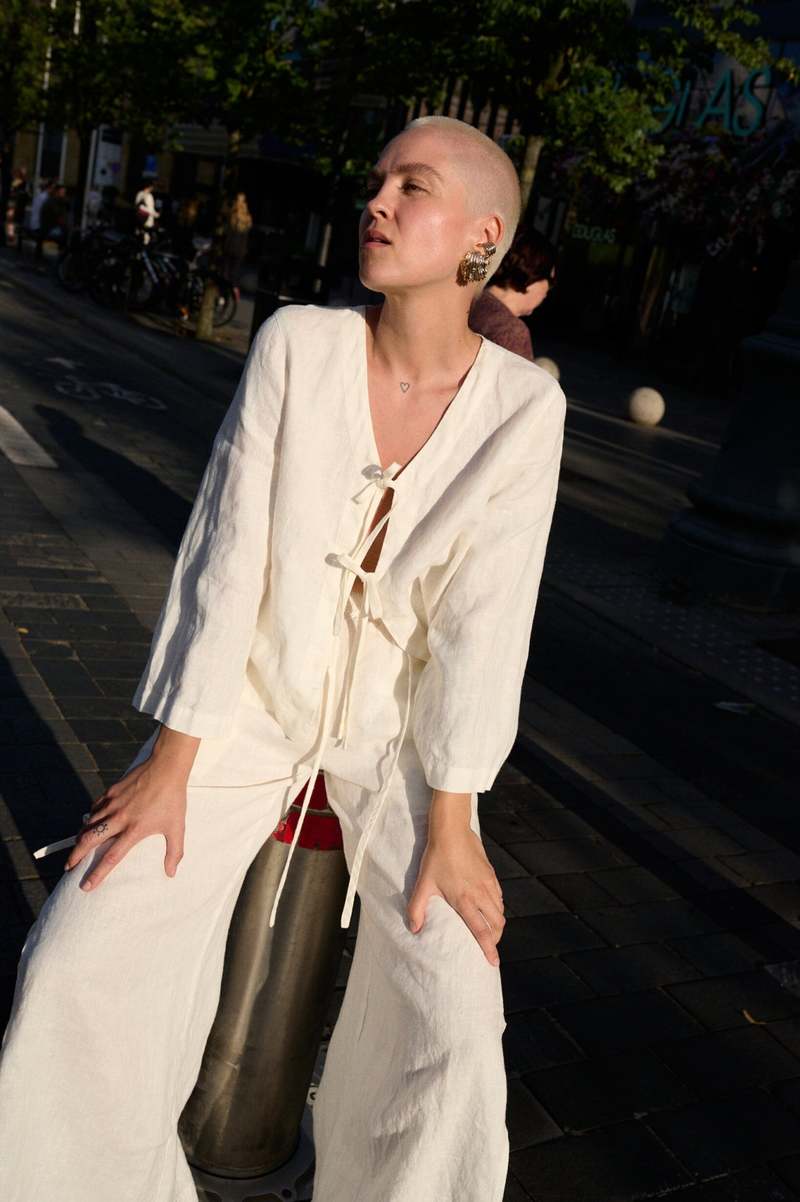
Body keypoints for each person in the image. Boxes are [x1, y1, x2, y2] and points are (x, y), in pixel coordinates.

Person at [0, 115, 567, 1202]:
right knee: (82, 945)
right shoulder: (298, 345)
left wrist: (453, 823)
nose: (376, 201)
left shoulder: (524, 408)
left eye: (412, 186)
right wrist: (174, 760)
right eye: (377, 180)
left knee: (454, 1013)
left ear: (482, 237)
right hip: (243, 713)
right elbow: (227, 555)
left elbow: (485, 623)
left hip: (397, 747)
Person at [469, 225, 558, 360]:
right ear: (532, 274)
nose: (547, 291)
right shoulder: (511, 332)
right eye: (550, 281)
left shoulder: (467, 302)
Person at [221, 190, 253, 298]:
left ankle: (226, 294)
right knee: (232, 273)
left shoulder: (234, 215)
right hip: (238, 249)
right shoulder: (246, 217)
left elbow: (227, 232)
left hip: (231, 248)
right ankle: (233, 291)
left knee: (227, 273)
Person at [135, 178, 159, 244]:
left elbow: (137, 205)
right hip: (147, 221)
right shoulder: (149, 196)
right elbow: (151, 210)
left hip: (139, 219)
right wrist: (157, 215)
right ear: (150, 186)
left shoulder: (139, 193)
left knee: (139, 236)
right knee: (146, 238)